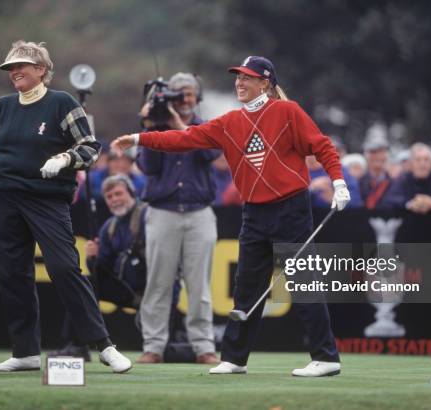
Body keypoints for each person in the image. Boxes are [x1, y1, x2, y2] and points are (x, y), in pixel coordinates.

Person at [112, 55, 351, 377]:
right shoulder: (229, 122)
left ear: (265, 82)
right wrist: (140, 138)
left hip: (290, 208)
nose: (239, 82)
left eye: (247, 78)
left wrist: (338, 182)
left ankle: (326, 357)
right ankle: (236, 359)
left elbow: (322, 146)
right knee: (246, 288)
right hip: (253, 211)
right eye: (238, 77)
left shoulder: (287, 111)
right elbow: (184, 139)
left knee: (304, 282)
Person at [0, 40, 131, 373]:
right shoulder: (2, 106)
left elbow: (90, 147)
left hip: (46, 199)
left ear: (41, 70)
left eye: (21, 66)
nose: (14, 72)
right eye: (10, 68)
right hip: (5, 198)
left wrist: (64, 159)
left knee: (64, 269)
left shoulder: (62, 103)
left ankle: (104, 345)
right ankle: (25, 352)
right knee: (13, 275)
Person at [135, 72, 220, 364]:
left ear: (198, 97)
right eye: (178, 94)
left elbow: (211, 155)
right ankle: (153, 346)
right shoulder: (156, 128)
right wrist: (149, 126)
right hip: (163, 212)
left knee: (200, 286)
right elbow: (148, 166)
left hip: (199, 213)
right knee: (158, 283)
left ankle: (204, 346)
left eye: (189, 93)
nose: (185, 99)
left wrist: (180, 127)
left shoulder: (206, 127)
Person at [384, 143, 431, 214]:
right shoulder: (402, 179)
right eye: (418, 160)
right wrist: (409, 204)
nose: (422, 164)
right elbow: (391, 199)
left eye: (426, 160)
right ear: (411, 164)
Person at [359, 135, 392, 209]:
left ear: (386, 156)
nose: (378, 156)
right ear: (366, 156)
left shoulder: (395, 182)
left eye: (381, 152)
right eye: (373, 152)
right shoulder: (359, 182)